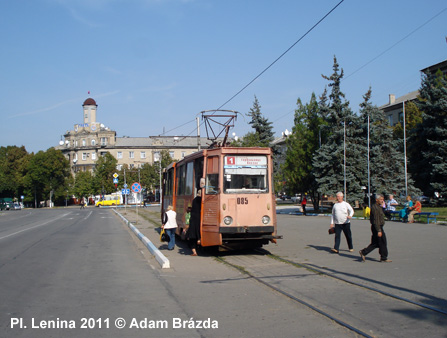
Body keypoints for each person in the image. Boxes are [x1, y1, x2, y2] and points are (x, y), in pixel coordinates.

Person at [359, 194, 392, 263]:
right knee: (382, 242)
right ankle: (383, 257)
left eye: (383, 199)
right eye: (381, 199)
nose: (382, 201)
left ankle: (364, 252)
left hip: (377, 227)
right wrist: (379, 230)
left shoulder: (378, 206)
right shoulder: (375, 208)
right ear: (377, 200)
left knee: (375, 243)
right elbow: (376, 220)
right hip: (377, 227)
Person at [184, 190, 202, 256]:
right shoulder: (202, 200)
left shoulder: (194, 200)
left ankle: (194, 252)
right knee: (198, 231)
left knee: (192, 238)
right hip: (199, 218)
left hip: (193, 220)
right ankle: (199, 239)